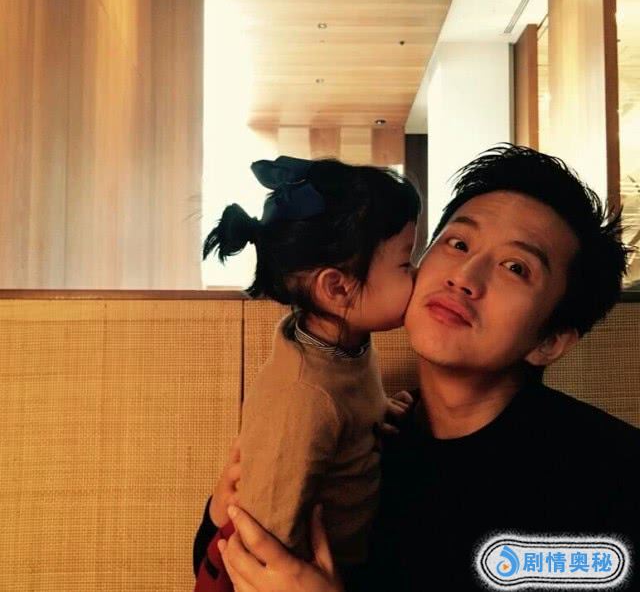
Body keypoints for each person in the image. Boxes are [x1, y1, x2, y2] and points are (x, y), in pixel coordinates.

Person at [195, 145, 640, 591]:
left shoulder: (613, 477)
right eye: (458, 243)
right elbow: (229, 560)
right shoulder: (361, 426)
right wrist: (222, 509)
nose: (463, 276)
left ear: (550, 340)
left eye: (515, 267)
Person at [195, 156, 421, 591]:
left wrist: (375, 419)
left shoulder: (344, 345)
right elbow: (264, 534)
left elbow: (343, 419)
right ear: (337, 287)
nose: (419, 273)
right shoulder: (303, 397)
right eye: (405, 261)